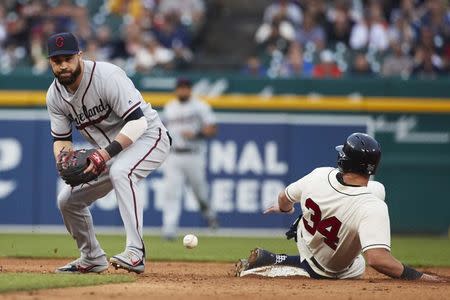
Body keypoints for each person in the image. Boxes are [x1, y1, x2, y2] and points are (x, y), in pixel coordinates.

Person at [235, 133, 444, 282]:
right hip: (327, 267)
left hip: (305, 234)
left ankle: (280, 259)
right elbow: (378, 259)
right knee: (357, 264)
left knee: (355, 256)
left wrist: (285, 209)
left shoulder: (319, 174)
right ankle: (279, 262)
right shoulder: (373, 204)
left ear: (343, 160)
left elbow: (283, 197)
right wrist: (421, 277)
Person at [45, 32, 171, 274]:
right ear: (50, 62)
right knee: (67, 201)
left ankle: (135, 253)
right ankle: (92, 257)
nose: (63, 65)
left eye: (68, 58)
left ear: (79, 56)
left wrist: (103, 155)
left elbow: (138, 123)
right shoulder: (55, 96)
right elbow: (61, 140)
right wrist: (63, 159)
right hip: (110, 153)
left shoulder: (107, 76)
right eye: (57, 60)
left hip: (149, 137)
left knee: (122, 172)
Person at [161, 78, 218, 240]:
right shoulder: (169, 107)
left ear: (190, 89)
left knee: (200, 193)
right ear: (176, 89)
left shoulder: (200, 106)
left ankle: (210, 216)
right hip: (173, 155)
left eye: (186, 87)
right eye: (180, 87)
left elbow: (212, 128)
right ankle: (169, 229)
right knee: (171, 193)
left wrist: (197, 134)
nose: (183, 90)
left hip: (194, 154)